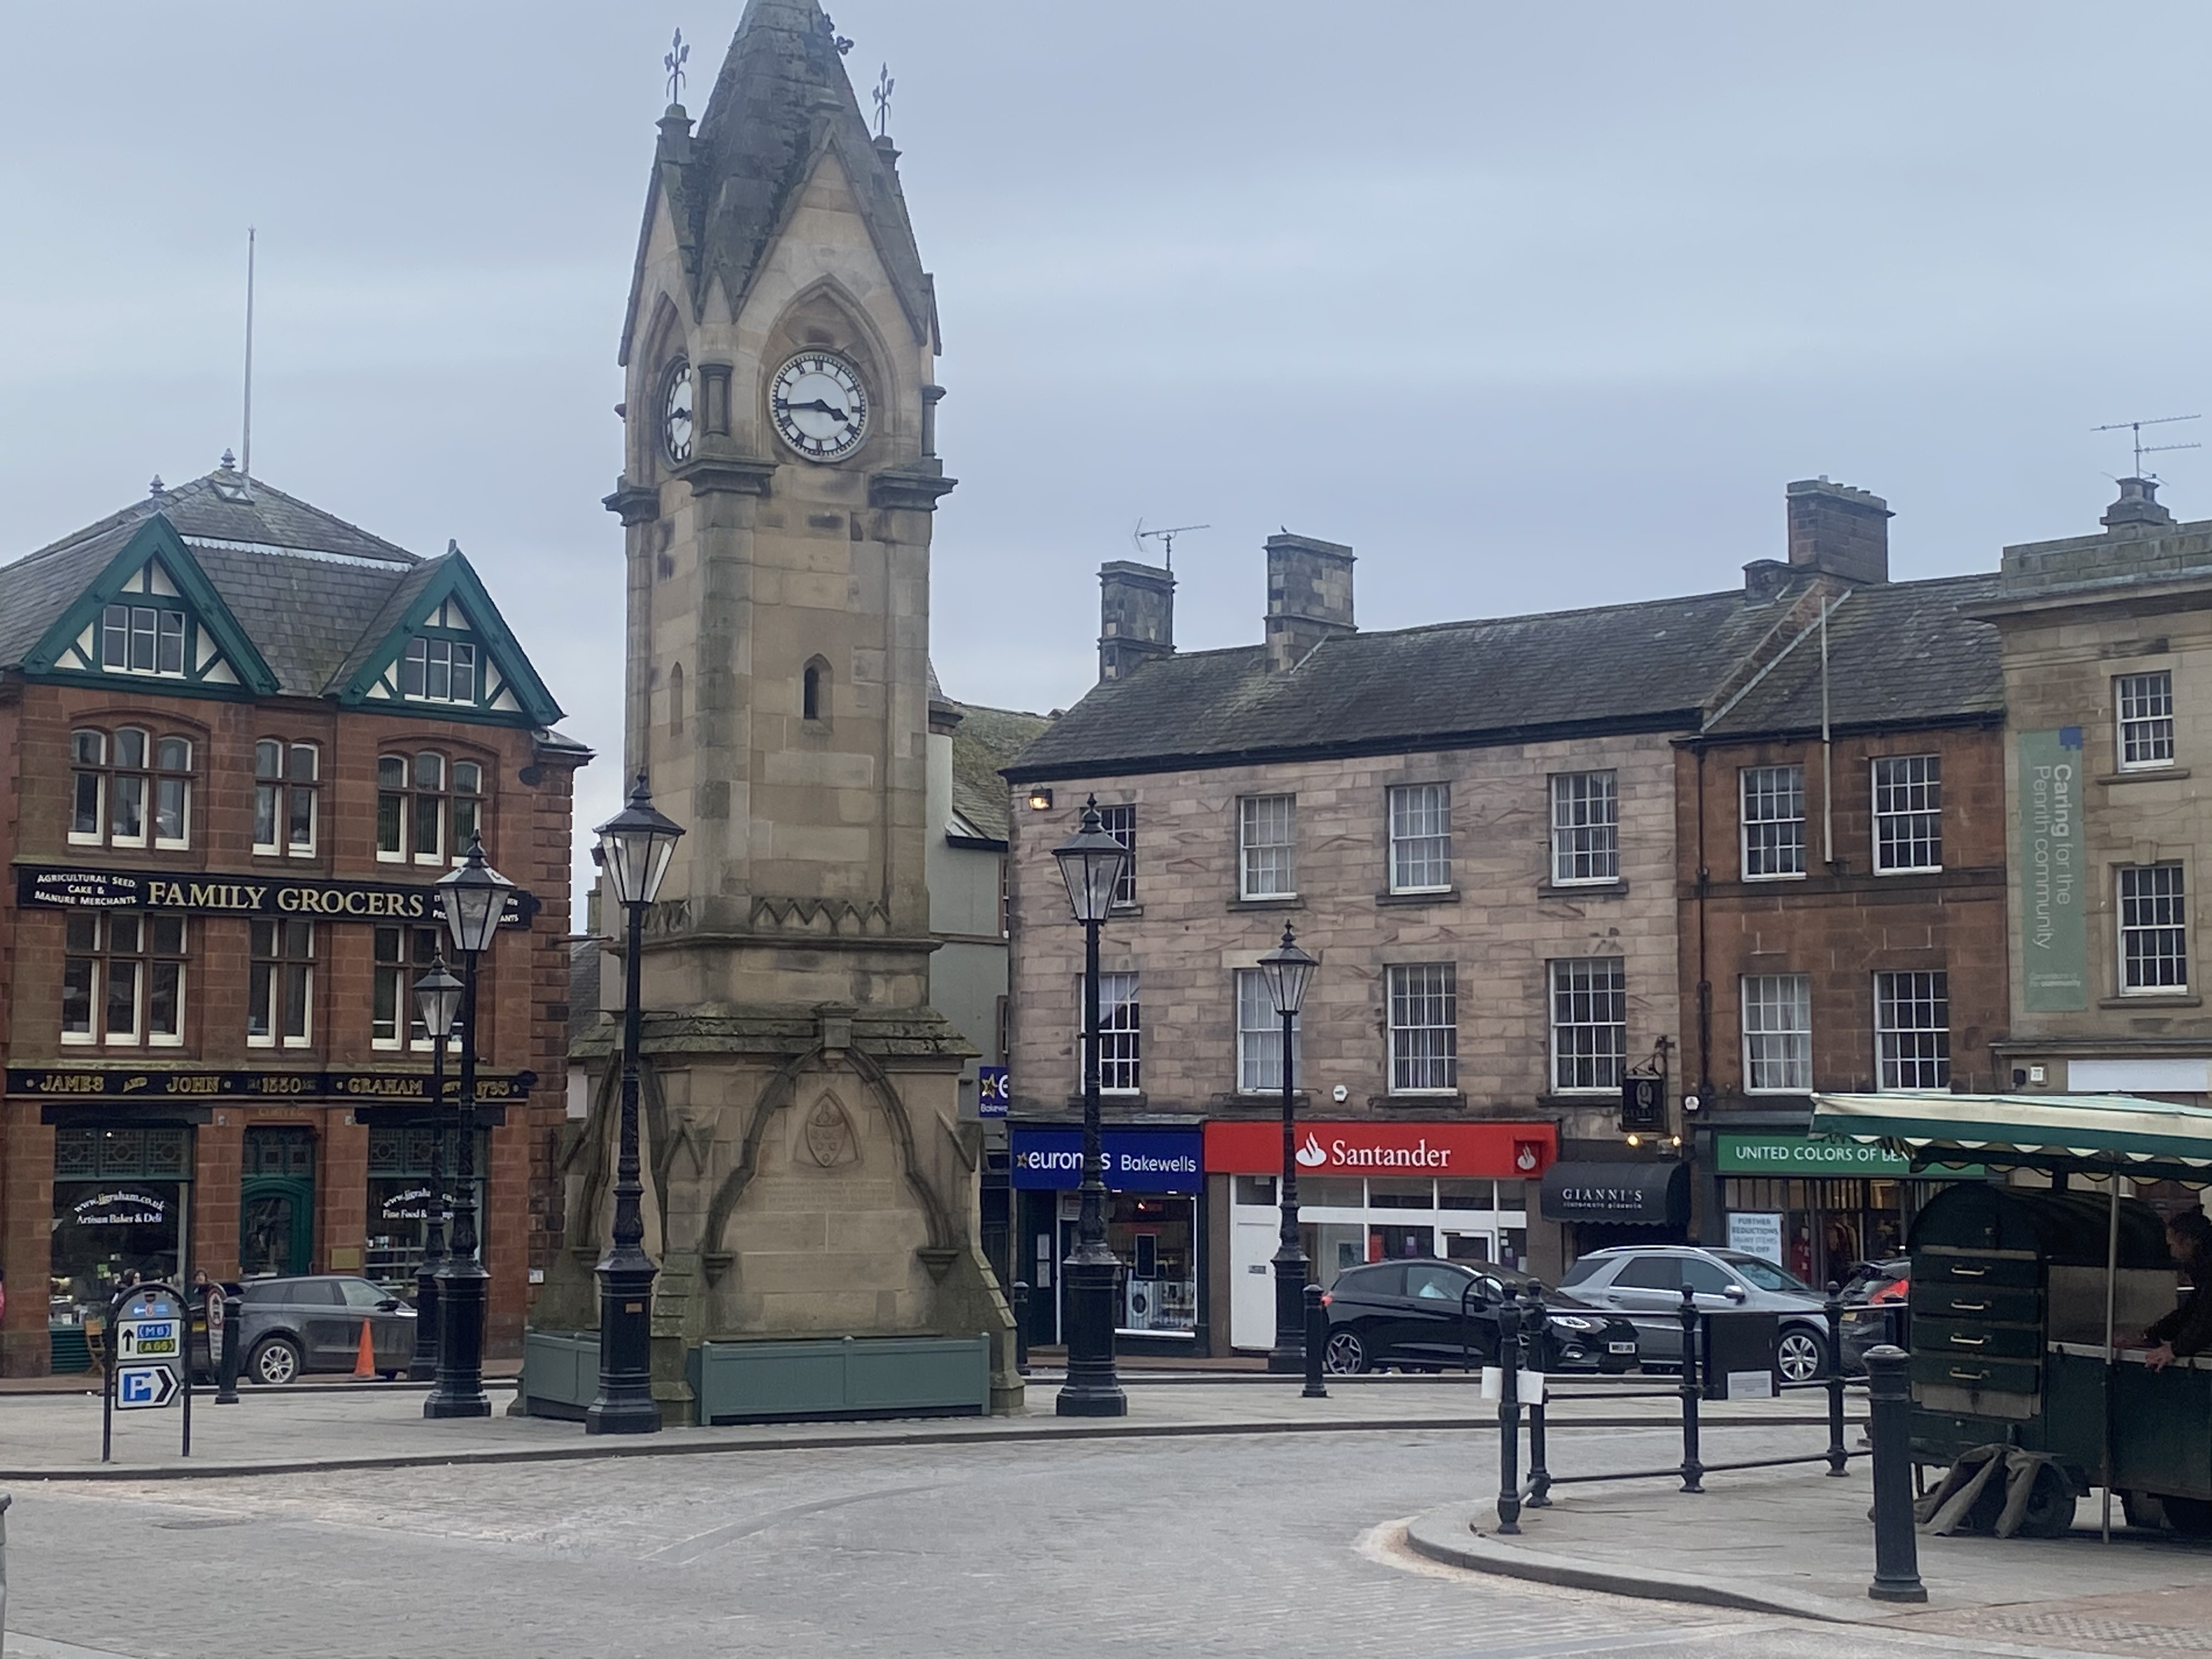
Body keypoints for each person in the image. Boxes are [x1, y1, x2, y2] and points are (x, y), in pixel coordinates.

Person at [2145, 1209, 2212, 1372]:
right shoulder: (2203, 1268)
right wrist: (2151, 1335)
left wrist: (2176, 1348)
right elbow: (2192, 1310)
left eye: (2172, 1245)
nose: (2172, 1253)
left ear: (2186, 1241)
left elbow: (2207, 1316)